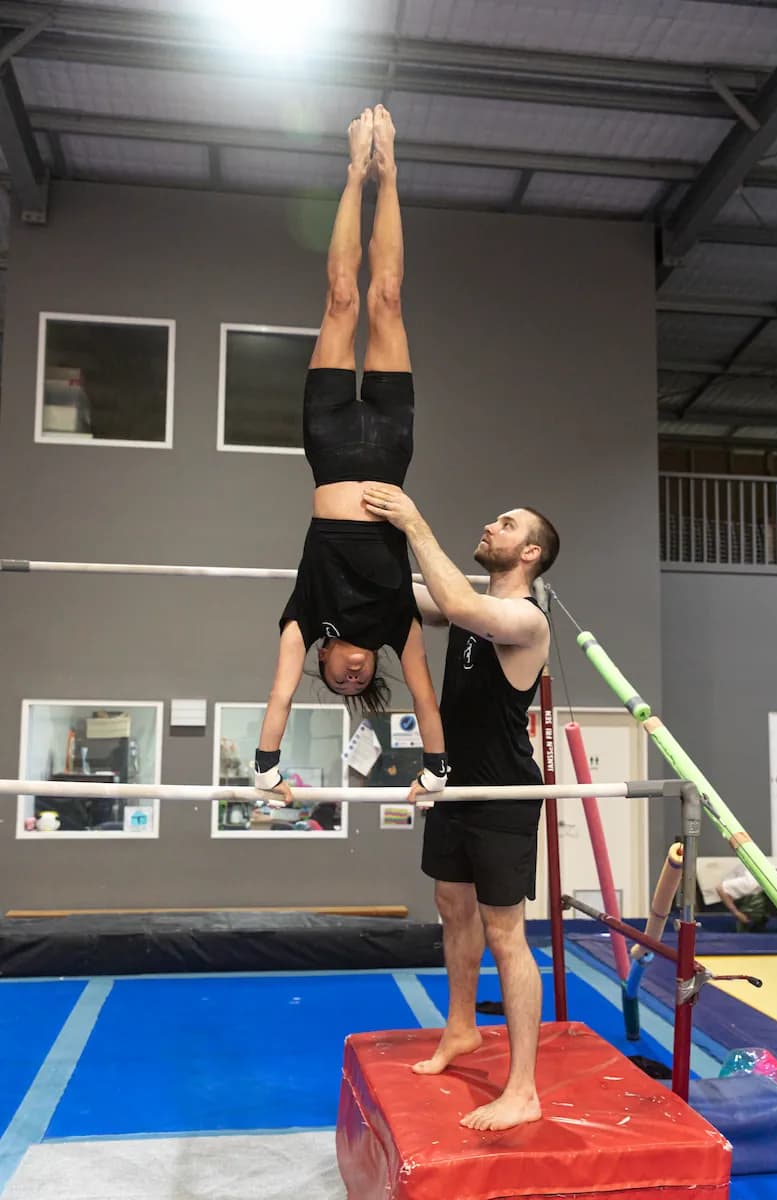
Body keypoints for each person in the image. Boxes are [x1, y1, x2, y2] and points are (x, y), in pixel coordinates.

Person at [254, 107, 447, 808]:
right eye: (358, 683)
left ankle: (352, 174)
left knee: (342, 300)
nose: (351, 676)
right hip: (391, 448)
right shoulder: (398, 620)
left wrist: (266, 772)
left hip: (330, 445)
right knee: (387, 301)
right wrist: (434, 771)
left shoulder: (303, 619)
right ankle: (387, 173)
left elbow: (278, 694)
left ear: (324, 663)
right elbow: (426, 699)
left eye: (338, 678)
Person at [362, 483, 559, 1132]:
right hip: (454, 787)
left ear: (528, 552)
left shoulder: (525, 620)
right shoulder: (470, 609)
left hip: (502, 796)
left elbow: (448, 597)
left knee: (506, 933)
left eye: (504, 523)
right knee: (452, 907)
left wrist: (415, 522)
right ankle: (462, 1029)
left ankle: (523, 1088)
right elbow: (412, 599)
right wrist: (348, 564)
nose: (489, 523)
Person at [717, 860, 777, 932]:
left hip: (770, 888)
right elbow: (720, 889)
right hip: (744, 893)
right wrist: (737, 913)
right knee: (756, 904)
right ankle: (749, 924)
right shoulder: (752, 883)